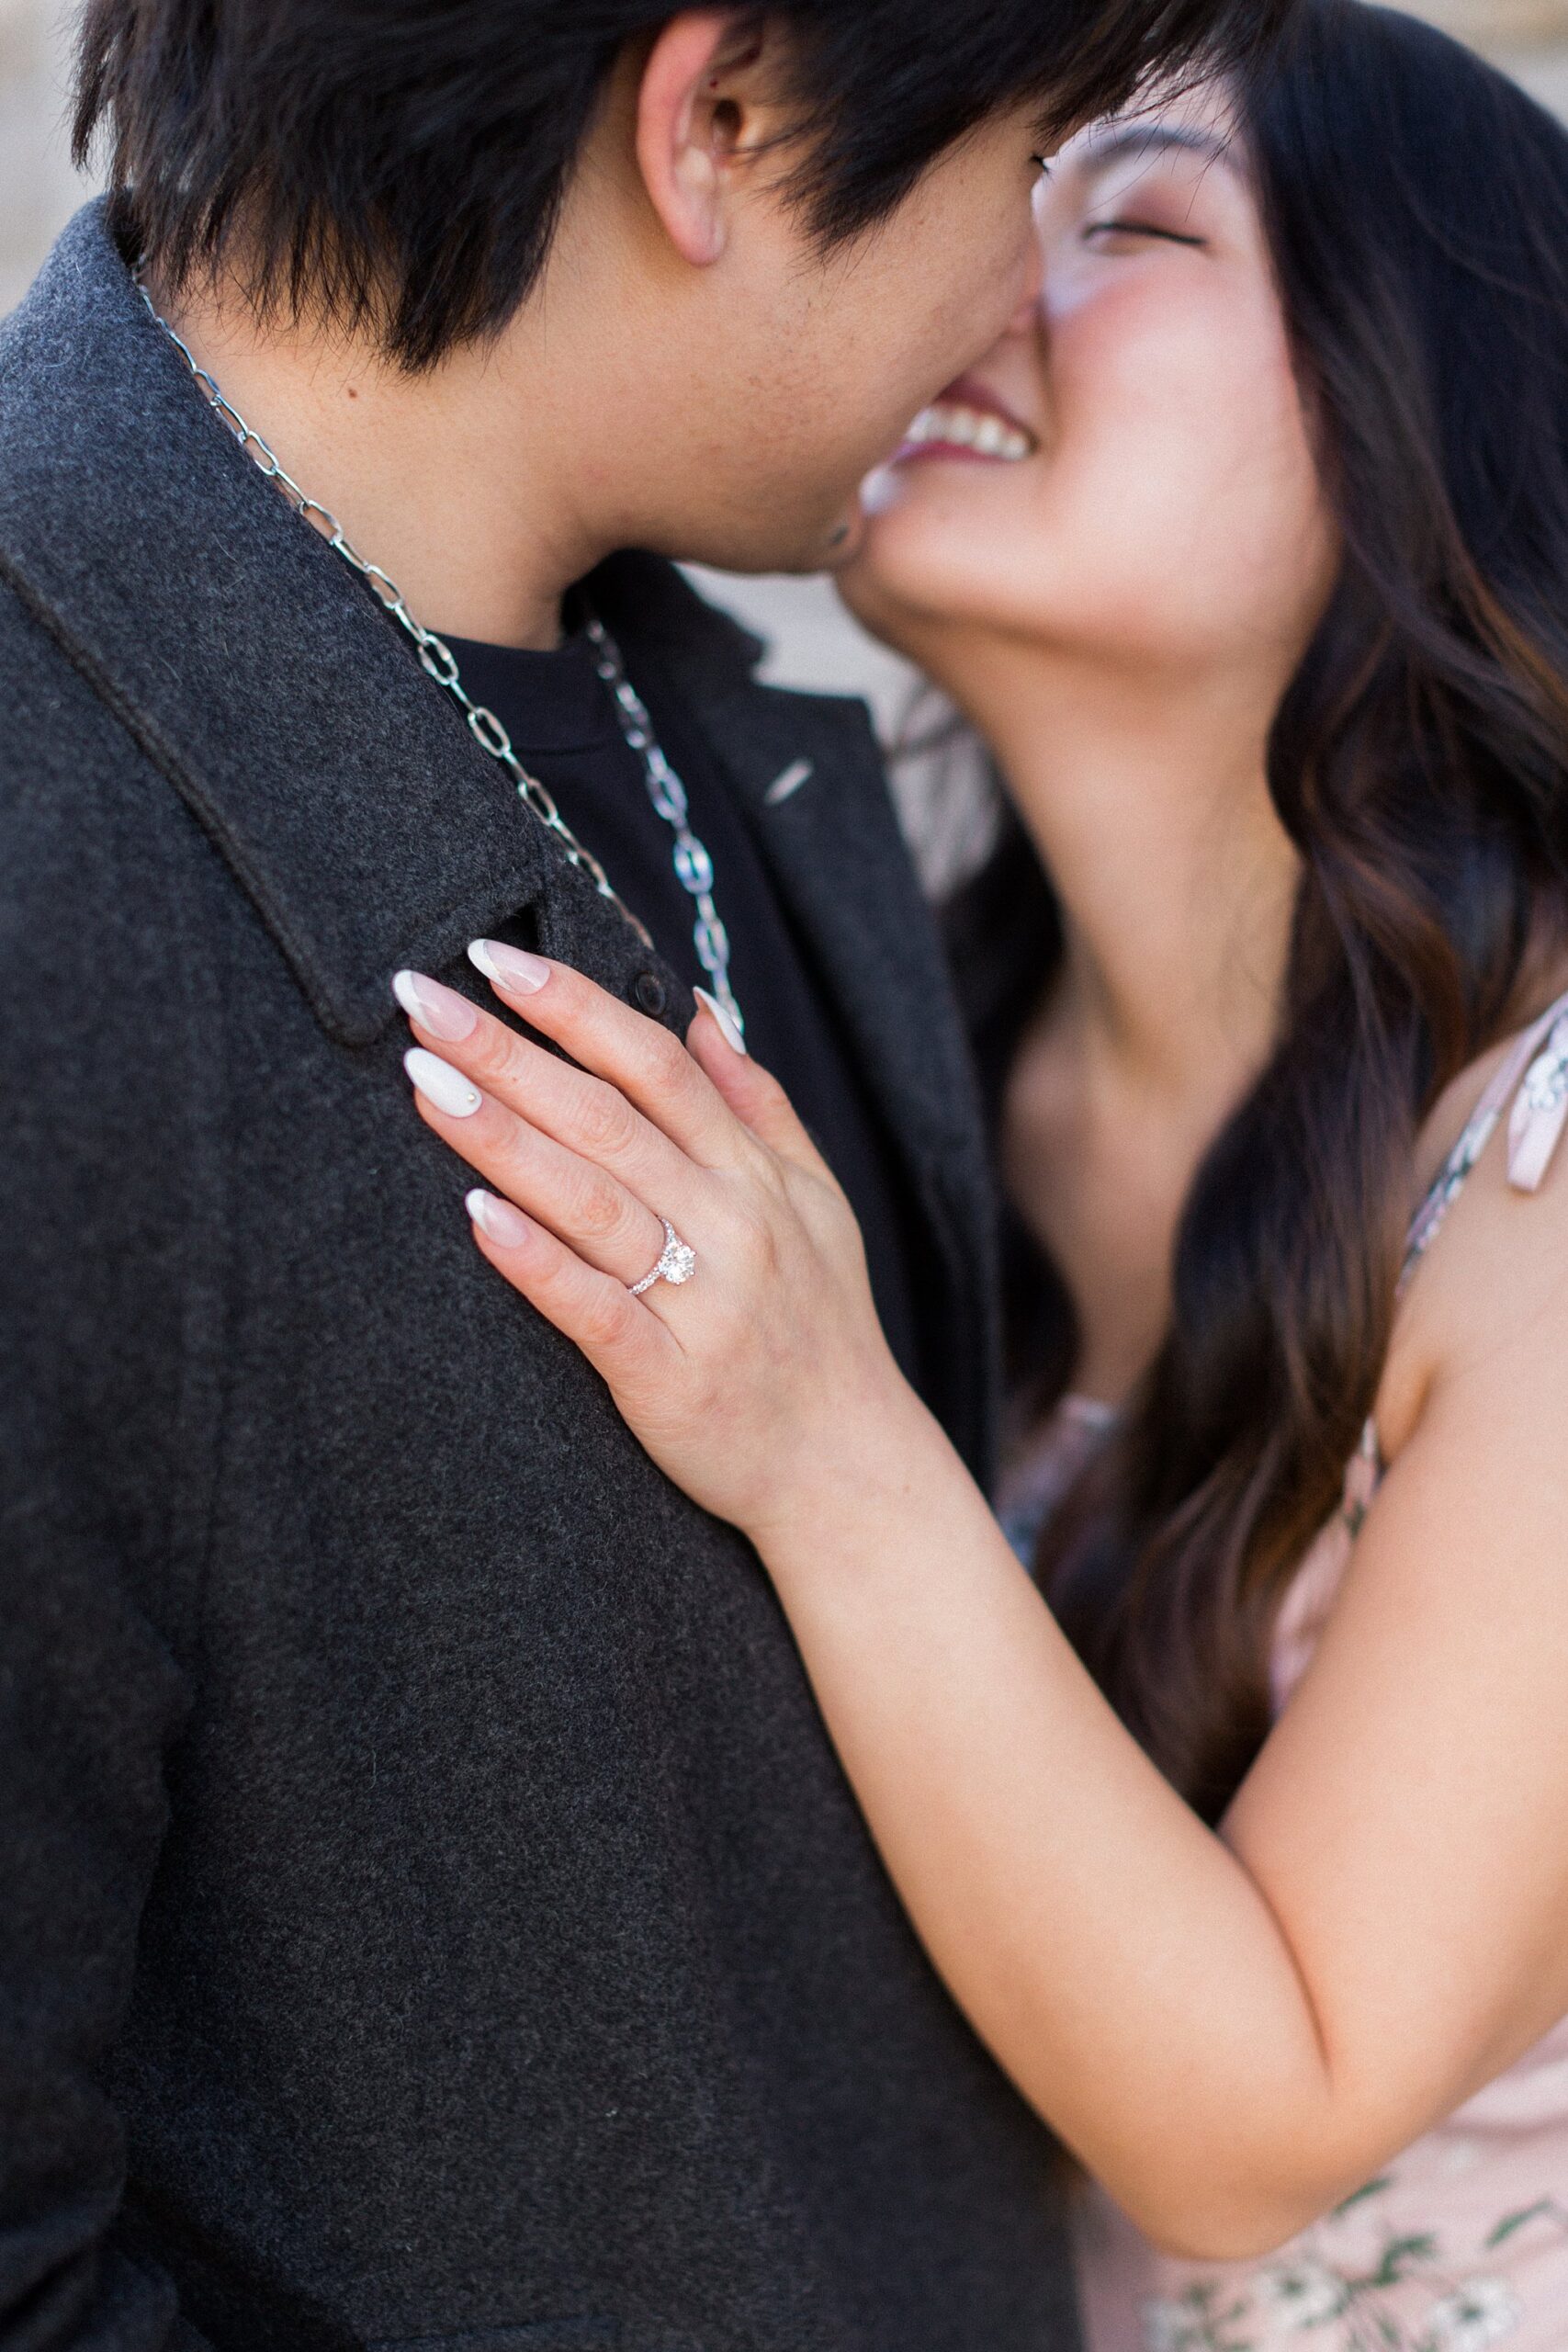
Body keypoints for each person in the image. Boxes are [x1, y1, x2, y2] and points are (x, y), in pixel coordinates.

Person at [0, 0, 1290, 2343]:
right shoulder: (46, 850)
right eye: (1025, 163)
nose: (1027, 285)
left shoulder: (717, 710)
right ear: (720, 120)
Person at [393, 6, 1568, 2347]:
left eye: (1119, 217)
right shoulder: (901, 1013)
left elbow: (1261, 2105)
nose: (979, 270)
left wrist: (824, 1435)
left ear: (1420, 413)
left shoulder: (1542, 1176)